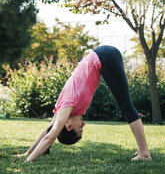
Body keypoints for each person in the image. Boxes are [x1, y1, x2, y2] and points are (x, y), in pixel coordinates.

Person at [14, 45, 151, 162]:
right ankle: (142, 150)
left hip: (105, 56)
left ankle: (144, 154)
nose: (83, 124)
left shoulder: (67, 106)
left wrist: (28, 160)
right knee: (125, 105)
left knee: (126, 106)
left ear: (68, 126)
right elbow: (48, 131)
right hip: (102, 55)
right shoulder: (62, 111)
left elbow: (50, 137)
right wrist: (27, 152)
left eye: (80, 129)